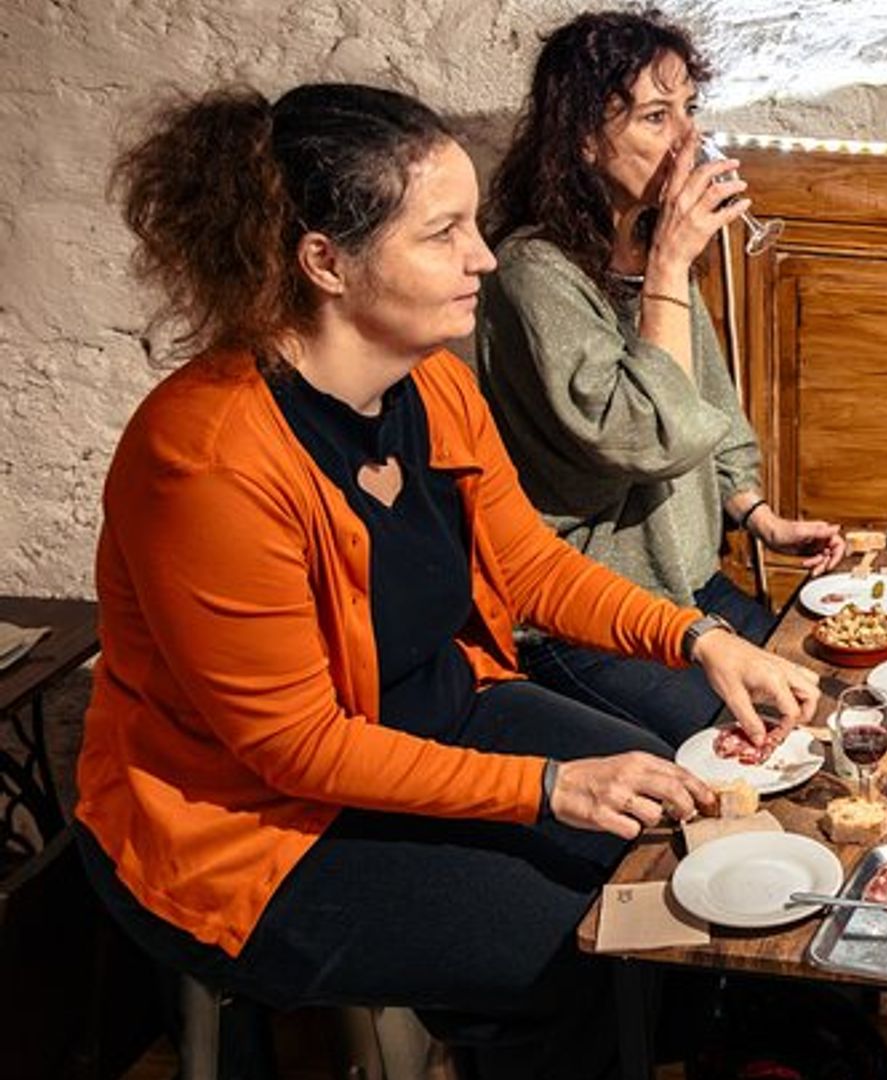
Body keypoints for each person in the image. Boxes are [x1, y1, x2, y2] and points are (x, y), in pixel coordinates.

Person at [76, 82, 820, 1077]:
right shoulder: (207, 460)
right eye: (444, 233)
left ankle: (670, 1044)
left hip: (428, 717)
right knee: (572, 942)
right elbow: (296, 749)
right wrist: (545, 787)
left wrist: (698, 637)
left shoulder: (430, 381)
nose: (482, 255)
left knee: (665, 819)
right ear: (325, 262)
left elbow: (524, 563)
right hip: (253, 825)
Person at [477, 9, 844, 748]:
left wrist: (755, 512)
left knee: (831, 696)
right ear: (583, 139)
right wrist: (673, 266)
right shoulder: (531, 273)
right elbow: (644, 437)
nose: (686, 141)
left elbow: (704, 395)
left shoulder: (643, 247)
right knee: (760, 745)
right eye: (654, 116)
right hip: (587, 613)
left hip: (686, 585)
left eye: (689, 111)